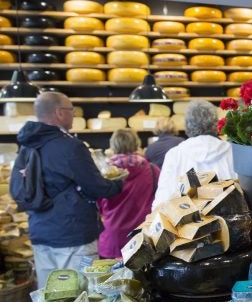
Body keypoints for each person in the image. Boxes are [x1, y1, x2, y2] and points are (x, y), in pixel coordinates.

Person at [15, 92, 122, 286]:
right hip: (73, 234)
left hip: (40, 232)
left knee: (50, 297)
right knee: (79, 295)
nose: (73, 115)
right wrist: (119, 183)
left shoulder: (27, 147)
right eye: (71, 110)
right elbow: (96, 187)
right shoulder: (71, 147)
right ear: (59, 113)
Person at [153, 99, 236, 208]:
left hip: (186, 222)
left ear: (187, 124)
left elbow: (162, 200)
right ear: (216, 122)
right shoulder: (232, 151)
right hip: (230, 221)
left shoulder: (175, 154)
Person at [97, 129, 158, 259]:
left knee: (110, 278)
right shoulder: (152, 170)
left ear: (113, 146)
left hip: (112, 240)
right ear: (137, 144)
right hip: (142, 238)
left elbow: (98, 206)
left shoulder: (102, 174)